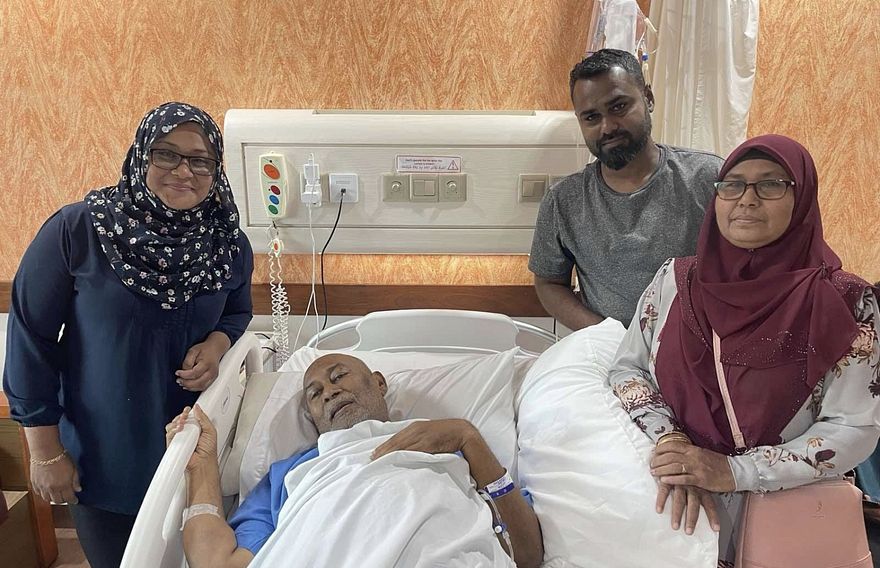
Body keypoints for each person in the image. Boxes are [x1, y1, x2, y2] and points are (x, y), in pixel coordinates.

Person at [607, 134, 880, 565]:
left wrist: (736, 472)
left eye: (770, 184)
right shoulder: (674, 283)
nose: (746, 199)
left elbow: (853, 428)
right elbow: (628, 370)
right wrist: (674, 446)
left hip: (788, 522)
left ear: (802, 198)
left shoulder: (847, 302)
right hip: (681, 517)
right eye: (731, 185)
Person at [2, 102, 254, 568]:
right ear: (141, 155)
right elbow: (30, 338)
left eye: (200, 160)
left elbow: (237, 312)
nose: (185, 171)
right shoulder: (79, 230)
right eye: (167, 154)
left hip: (193, 445)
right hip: (105, 449)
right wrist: (45, 452)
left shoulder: (227, 243)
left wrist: (218, 345)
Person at [168, 353, 544, 568]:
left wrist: (468, 437)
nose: (329, 392)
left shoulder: (447, 441)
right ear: (311, 416)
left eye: (339, 377)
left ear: (379, 383)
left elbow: (526, 553)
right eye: (314, 394)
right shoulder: (292, 473)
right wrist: (202, 465)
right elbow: (219, 563)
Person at [529, 48, 722, 329]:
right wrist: (608, 336)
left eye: (619, 107)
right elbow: (549, 283)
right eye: (591, 117)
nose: (607, 127)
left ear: (648, 98)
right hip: (607, 346)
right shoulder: (564, 201)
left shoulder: (708, 178)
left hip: (698, 343)